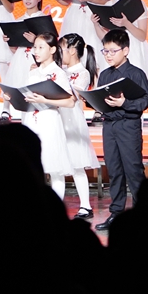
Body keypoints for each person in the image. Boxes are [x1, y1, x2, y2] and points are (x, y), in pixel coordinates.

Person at [90, 29, 148, 230]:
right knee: (114, 170)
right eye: (105, 51)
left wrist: (124, 103)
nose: (108, 55)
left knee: (133, 170)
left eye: (112, 51)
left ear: (125, 50)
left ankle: (143, 214)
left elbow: (147, 100)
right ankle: (116, 212)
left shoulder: (135, 73)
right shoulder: (105, 74)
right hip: (109, 126)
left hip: (128, 125)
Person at [9, 32, 75, 199]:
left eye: (40, 47)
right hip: (32, 120)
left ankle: (56, 206)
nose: (36, 51)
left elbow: (70, 102)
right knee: (32, 165)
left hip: (49, 121)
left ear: (52, 49)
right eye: (35, 47)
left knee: (54, 168)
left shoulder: (58, 73)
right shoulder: (33, 73)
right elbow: (26, 100)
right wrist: (13, 97)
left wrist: (46, 100)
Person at [59, 33, 102, 220]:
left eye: (61, 48)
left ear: (72, 50)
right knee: (57, 165)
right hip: (58, 120)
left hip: (72, 121)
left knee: (77, 164)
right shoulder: (59, 70)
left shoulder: (82, 73)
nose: (59, 52)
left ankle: (85, 205)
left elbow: (73, 95)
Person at [1, 0, 46, 122]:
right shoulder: (19, 20)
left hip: (35, 62)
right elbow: (15, 50)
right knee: (19, 94)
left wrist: (35, 40)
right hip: (20, 61)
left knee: (33, 95)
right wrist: (9, 41)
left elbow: (50, 46)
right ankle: (11, 115)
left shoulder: (43, 19)